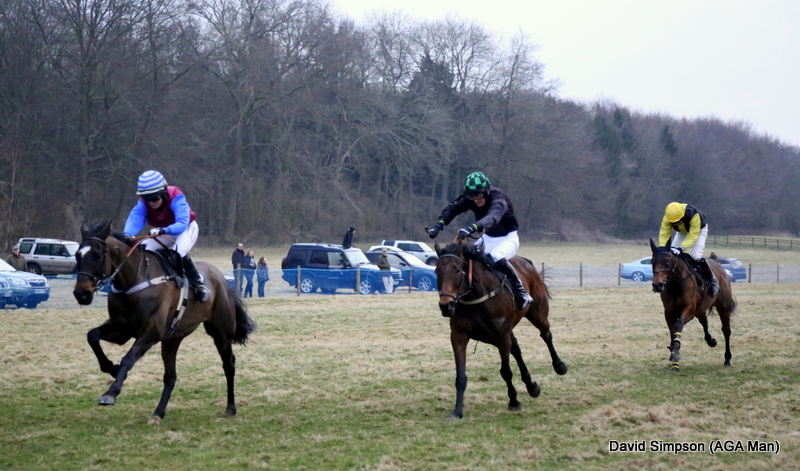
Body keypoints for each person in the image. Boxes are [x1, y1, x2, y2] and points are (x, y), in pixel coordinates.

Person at [427, 171, 533, 310]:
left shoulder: (499, 200)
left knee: (496, 257)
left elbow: (492, 218)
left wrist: (471, 228)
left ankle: (521, 292)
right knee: (465, 259)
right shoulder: (473, 198)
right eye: (472, 197)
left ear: (487, 190)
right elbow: (453, 208)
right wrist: (439, 224)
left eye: (478, 195)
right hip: (488, 238)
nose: (476, 200)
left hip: (508, 238)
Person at [123, 170, 210, 302]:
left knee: (177, 253)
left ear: (163, 192)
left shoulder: (176, 196)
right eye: (147, 198)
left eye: (155, 197)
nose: (151, 202)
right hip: (163, 231)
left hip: (185, 229)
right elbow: (135, 219)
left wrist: (163, 230)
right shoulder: (143, 203)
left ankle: (199, 284)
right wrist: (127, 235)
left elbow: (182, 223)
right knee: (143, 250)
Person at [658, 201, 719, 296]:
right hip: (682, 232)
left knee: (696, 256)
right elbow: (664, 233)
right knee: (670, 255)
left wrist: (681, 248)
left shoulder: (694, 215)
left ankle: (712, 280)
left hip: (698, 231)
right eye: (674, 223)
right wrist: (663, 248)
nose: (676, 224)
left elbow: (692, 236)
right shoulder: (668, 217)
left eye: (678, 221)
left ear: (682, 216)